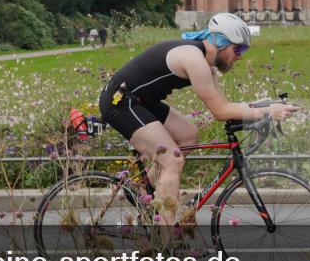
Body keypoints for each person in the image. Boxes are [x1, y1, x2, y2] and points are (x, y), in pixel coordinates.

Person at [97, 13, 298, 224]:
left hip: (142, 100)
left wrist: (264, 106)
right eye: (239, 49)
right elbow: (220, 112)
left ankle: (145, 191)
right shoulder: (195, 60)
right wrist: (267, 112)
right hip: (120, 101)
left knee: (189, 135)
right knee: (172, 161)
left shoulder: (207, 65)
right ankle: (164, 244)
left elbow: (227, 106)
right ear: (221, 43)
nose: (240, 56)